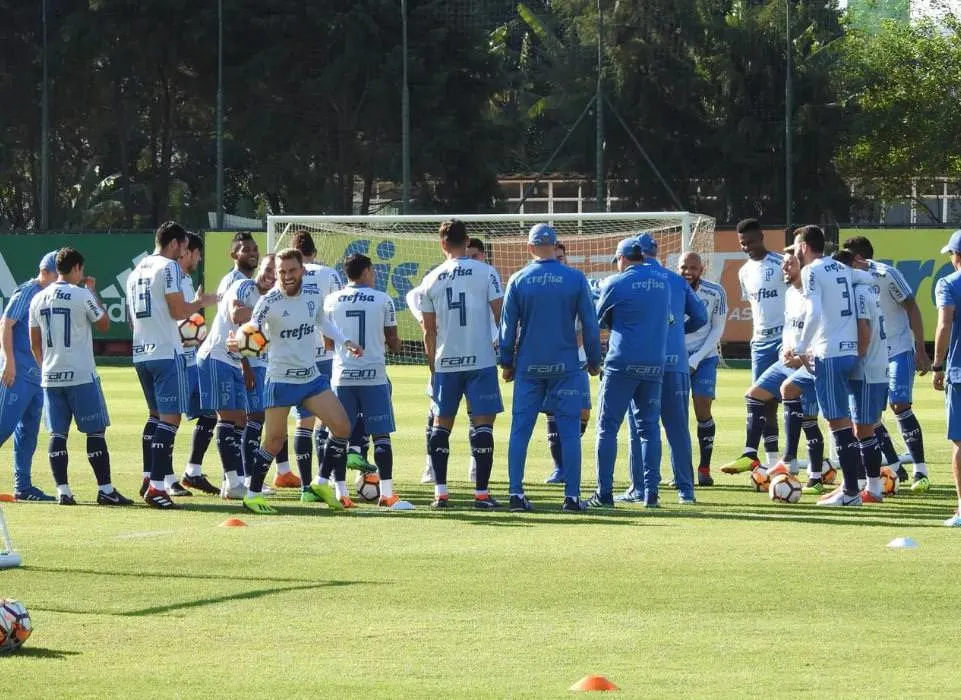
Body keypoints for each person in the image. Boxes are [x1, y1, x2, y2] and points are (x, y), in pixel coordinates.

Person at [228, 248, 361, 515]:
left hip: (310, 378)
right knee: (274, 441)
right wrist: (239, 342)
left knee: (342, 427)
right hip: (281, 380)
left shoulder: (313, 295)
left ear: (302, 270)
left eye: (291, 271)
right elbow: (251, 329)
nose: (286, 276)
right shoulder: (270, 301)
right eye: (281, 272)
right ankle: (253, 494)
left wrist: (344, 340)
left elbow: (323, 322)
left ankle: (322, 482)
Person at [499, 224, 601, 512]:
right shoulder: (575, 278)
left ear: (530, 248)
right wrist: (594, 361)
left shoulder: (519, 279)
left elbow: (508, 328)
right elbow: (590, 325)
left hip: (529, 366)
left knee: (521, 430)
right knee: (569, 431)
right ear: (557, 247)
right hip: (566, 365)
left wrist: (507, 362)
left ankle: (516, 494)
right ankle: (571, 497)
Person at [28, 247, 132, 506]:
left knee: (57, 434)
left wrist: (46, 367)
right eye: (81, 269)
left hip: (51, 376)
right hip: (81, 374)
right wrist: (93, 292)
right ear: (75, 268)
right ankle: (105, 489)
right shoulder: (81, 293)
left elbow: (34, 342)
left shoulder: (38, 298)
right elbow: (105, 324)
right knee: (95, 431)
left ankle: (63, 491)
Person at [128, 221, 217, 509]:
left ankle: (148, 478)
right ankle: (156, 487)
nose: (183, 251)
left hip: (141, 352)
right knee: (170, 420)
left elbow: (131, 319)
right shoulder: (169, 268)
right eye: (182, 245)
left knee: (155, 417)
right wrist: (199, 302)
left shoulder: (136, 271)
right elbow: (179, 311)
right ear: (175, 244)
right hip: (167, 352)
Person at [419, 219, 504, 509]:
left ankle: (440, 493)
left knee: (441, 426)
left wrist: (433, 365)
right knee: (483, 426)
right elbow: (500, 315)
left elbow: (428, 330)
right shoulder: (487, 272)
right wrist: (504, 354)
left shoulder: (431, 279)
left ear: (442, 243)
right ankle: (481, 494)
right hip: (481, 360)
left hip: (446, 362)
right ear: (467, 241)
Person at [617, 233, 706, 505]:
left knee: (641, 428)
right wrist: (678, 331)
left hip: (644, 361)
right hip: (675, 362)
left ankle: (641, 488)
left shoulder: (630, 279)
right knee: (678, 427)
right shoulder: (677, 281)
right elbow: (700, 317)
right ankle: (685, 491)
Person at [323, 254, 413, 510]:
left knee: (338, 435)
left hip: (342, 376)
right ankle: (386, 494)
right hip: (373, 377)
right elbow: (394, 342)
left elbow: (327, 343)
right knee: (381, 436)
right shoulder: (383, 299)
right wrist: (392, 344)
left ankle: (341, 494)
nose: (374, 275)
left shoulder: (331, 300)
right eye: (372, 271)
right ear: (364, 272)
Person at [843, 235, 932, 492]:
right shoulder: (847, 278)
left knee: (899, 403)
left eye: (850, 258)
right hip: (872, 355)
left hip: (899, 348)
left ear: (860, 258)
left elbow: (911, 306)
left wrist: (921, 349)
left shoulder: (886, 274)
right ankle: (893, 466)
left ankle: (921, 471)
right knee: (869, 414)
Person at [739, 247, 826, 493]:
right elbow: (789, 328)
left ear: (803, 267)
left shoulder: (815, 294)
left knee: (810, 419)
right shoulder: (789, 294)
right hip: (788, 359)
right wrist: (787, 349)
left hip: (810, 361)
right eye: (784, 264)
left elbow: (820, 328)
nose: (784, 269)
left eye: (789, 264)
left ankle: (815, 475)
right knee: (754, 395)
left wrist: (802, 353)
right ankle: (754, 454)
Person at [593, 237, 672, 509]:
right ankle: (651, 494)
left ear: (621, 258)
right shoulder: (663, 282)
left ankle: (603, 494)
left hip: (622, 362)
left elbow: (597, 318)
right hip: (654, 363)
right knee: (650, 429)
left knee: (607, 428)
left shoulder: (616, 282)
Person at [790, 225, 862, 507]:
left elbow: (815, 311)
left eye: (796, 246)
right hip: (850, 349)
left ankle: (852, 492)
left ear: (805, 247)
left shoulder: (811, 271)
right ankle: (850, 485)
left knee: (836, 422)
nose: (795, 252)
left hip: (829, 351)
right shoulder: (841, 268)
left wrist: (800, 346)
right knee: (844, 420)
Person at [722, 219, 786, 473]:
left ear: (762, 236)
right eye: (743, 244)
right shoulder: (744, 271)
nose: (747, 247)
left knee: (792, 398)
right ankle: (771, 461)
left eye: (751, 241)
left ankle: (811, 461)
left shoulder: (781, 263)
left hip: (784, 340)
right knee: (763, 401)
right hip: (760, 342)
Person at [288, 231, 346, 489]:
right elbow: (336, 310)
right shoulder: (329, 274)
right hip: (326, 354)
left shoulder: (289, 277)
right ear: (314, 252)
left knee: (303, 420)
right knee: (330, 418)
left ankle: (304, 483)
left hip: (297, 355)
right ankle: (329, 476)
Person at [0, 250, 58, 501]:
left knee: (28, 433)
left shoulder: (51, 296)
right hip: (18, 373)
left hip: (37, 377)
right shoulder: (28, 291)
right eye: (60, 275)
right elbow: (6, 324)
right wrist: (9, 363)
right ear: (47, 273)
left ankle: (23, 487)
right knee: (2, 427)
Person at [832, 249, 889, 503]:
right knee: (863, 427)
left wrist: (856, 357)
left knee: (863, 429)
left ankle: (874, 489)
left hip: (866, 369)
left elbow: (863, 329)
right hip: (876, 367)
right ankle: (864, 484)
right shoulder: (868, 287)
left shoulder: (857, 292)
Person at [542, 241, 593, 485]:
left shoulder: (576, 283)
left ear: (566, 258)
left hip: (577, 360)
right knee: (552, 412)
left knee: (582, 412)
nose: (558, 261)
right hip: (549, 361)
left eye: (561, 257)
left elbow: (588, 323)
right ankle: (560, 468)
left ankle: (568, 458)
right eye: (554, 256)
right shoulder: (539, 286)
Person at [177, 232, 220, 496]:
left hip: (191, 358)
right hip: (176, 359)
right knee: (166, 418)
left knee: (209, 412)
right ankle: (163, 478)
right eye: (197, 253)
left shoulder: (184, 279)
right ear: (187, 251)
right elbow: (178, 318)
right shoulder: (173, 277)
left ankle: (192, 471)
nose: (200, 258)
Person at [680, 251, 726, 486]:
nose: (688, 272)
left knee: (702, 404)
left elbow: (717, 330)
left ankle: (704, 468)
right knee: (676, 414)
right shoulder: (671, 289)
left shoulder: (715, 291)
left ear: (702, 269)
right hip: (678, 357)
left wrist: (696, 359)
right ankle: (682, 470)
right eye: (683, 267)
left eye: (693, 268)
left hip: (705, 356)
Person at [932, 230, 961, 526]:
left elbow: (944, 325)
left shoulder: (949, 283)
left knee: (960, 443)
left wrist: (937, 365)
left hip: (960, 371)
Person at [217, 232, 259, 298]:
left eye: (255, 249)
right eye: (246, 250)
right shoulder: (234, 281)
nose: (252, 253)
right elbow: (234, 308)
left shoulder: (245, 280)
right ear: (234, 256)